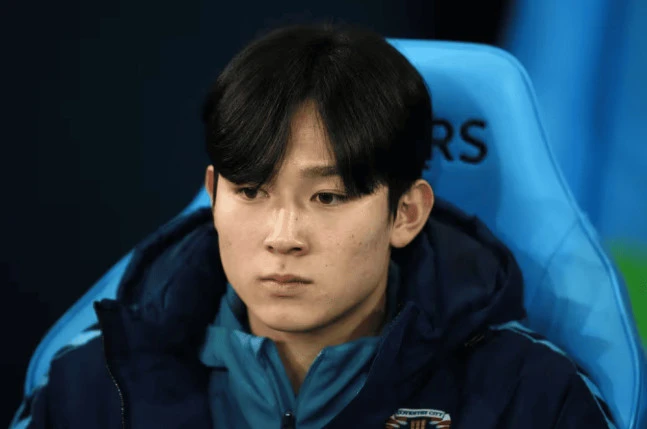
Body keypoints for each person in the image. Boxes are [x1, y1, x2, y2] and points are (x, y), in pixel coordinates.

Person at [12, 23, 613, 429]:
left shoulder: (529, 398)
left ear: (406, 213)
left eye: (326, 197)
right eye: (251, 191)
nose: (283, 236)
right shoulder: (91, 387)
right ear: (213, 195)